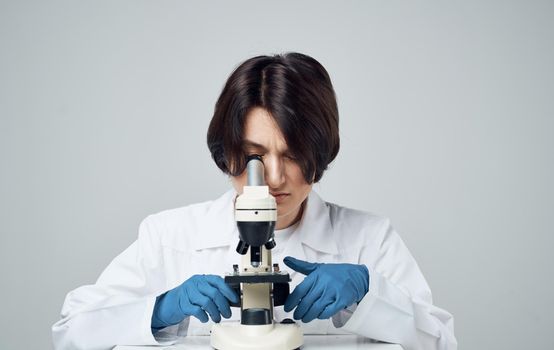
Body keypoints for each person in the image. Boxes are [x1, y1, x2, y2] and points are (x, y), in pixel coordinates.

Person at [52, 53, 457, 350]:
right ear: (226, 152)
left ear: (320, 153)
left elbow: (441, 342)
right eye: (255, 156)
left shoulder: (370, 239)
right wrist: (160, 310)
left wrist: (368, 294)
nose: (275, 178)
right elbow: (70, 332)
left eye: (294, 154)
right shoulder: (169, 236)